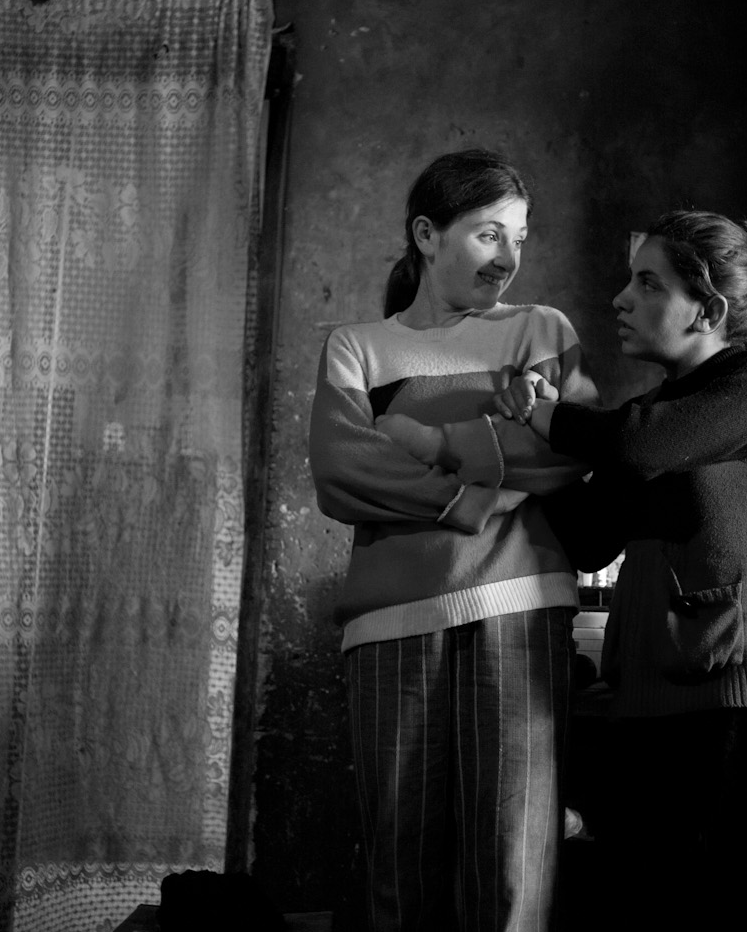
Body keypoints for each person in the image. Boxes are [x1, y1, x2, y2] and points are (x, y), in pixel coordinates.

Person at [380, 210, 747, 930]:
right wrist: (500, 441)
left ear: (708, 309)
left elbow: (641, 446)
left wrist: (549, 419)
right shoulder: (654, 411)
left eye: (646, 282)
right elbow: (588, 535)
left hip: (746, 708)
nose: (619, 300)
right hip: (649, 708)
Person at [307, 149, 594, 932]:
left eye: (521, 238)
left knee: (514, 861)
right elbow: (342, 475)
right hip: (390, 620)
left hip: (521, 605)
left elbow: (568, 451)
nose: (509, 258)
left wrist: (418, 439)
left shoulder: (541, 330)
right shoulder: (356, 347)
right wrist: (488, 483)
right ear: (427, 235)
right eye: (489, 234)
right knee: (402, 862)